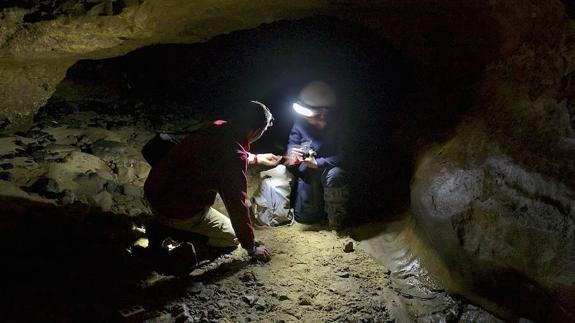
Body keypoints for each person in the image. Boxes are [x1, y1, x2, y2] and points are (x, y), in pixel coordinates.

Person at [144, 101, 281, 262]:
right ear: (256, 130)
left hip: (154, 191)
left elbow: (225, 151)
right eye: (263, 130)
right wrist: (251, 246)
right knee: (231, 238)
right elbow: (237, 204)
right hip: (178, 209)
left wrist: (257, 158)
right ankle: (172, 232)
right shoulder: (232, 156)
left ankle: (165, 223)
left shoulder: (217, 126)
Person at [286, 81, 349, 229]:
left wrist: (318, 163)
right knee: (306, 218)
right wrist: (292, 155)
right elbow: (292, 144)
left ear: (323, 112)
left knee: (336, 175)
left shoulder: (339, 127)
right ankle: (314, 212)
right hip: (308, 171)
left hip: (330, 170)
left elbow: (346, 156)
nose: (307, 118)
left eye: (310, 115)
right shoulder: (301, 124)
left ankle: (336, 219)